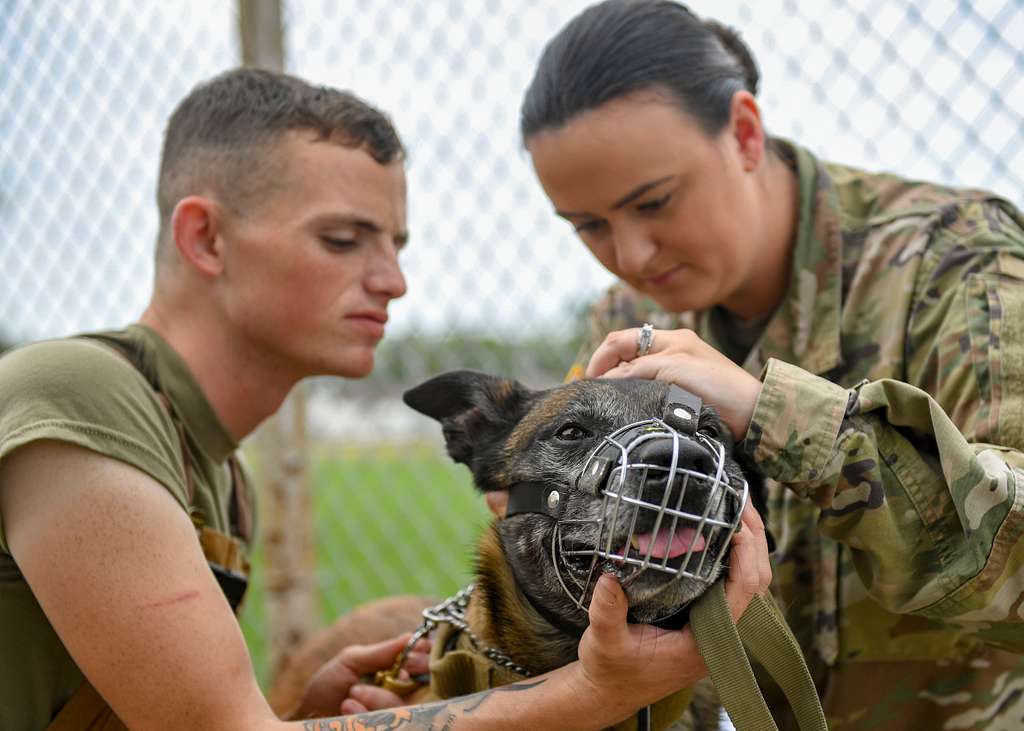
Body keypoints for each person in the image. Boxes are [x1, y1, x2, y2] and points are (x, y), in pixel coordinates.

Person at [0, 67, 772, 730]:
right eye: (343, 241)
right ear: (205, 239)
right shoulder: (80, 394)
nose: (393, 281)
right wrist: (587, 694)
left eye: (396, 246)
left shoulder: (216, 473)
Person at [515, 1, 1024, 729]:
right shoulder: (624, 328)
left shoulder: (955, 271)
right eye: (589, 226)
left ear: (746, 134)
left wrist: (770, 414)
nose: (631, 256)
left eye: (655, 201)